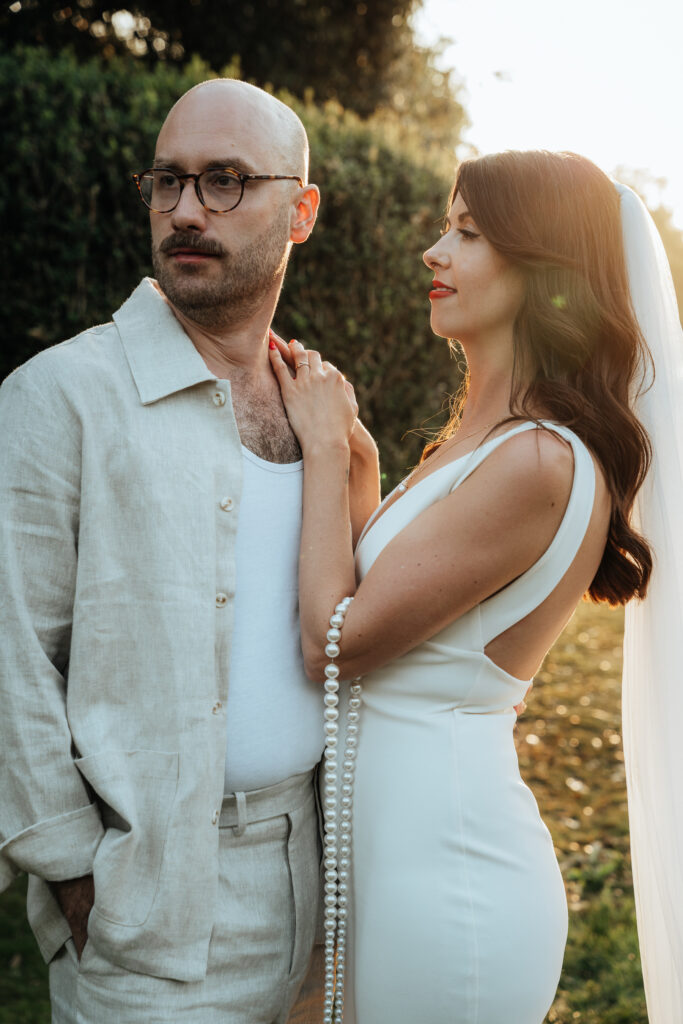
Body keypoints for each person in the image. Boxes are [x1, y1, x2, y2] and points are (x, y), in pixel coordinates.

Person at [0, 78, 379, 1024]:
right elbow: (9, 656)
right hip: (144, 901)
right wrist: (73, 872)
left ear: (300, 212)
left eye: (224, 181)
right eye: (167, 181)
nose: (184, 211)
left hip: (315, 877)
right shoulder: (59, 396)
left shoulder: (314, 406)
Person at [268, 150, 657, 1023]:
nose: (433, 251)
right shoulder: (476, 443)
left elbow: (333, 643)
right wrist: (360, 470)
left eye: (469, 233)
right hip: (395, 868)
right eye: (447, 226)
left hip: (451, 893)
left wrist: (323, 450)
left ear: (542, 268)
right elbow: (378, 598)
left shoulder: (536, 459)